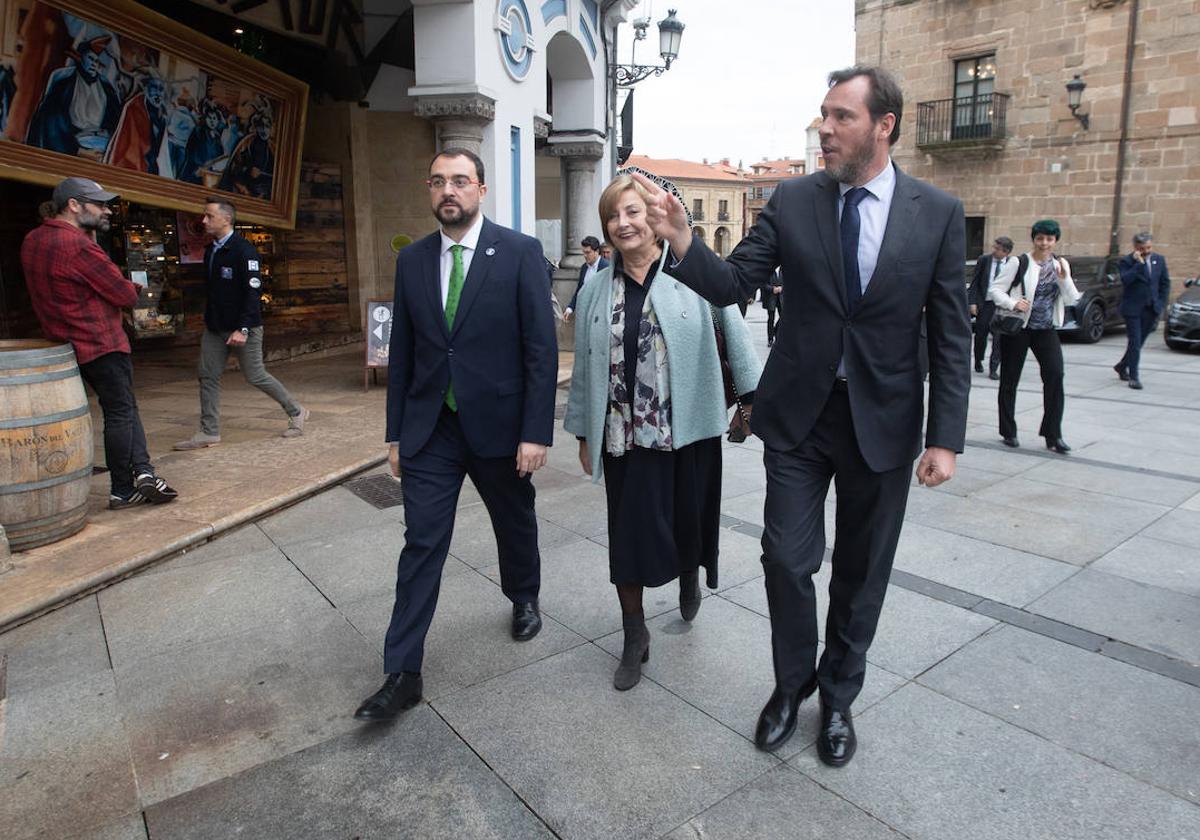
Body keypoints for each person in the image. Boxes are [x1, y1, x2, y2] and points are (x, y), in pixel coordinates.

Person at [634, 65, 970, 766]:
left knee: (860, 569)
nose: (825, 127)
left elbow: (949, 331)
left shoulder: (935, 212)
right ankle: (791, 686)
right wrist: (683, 241)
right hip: (798, 417)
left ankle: (839, 698)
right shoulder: (792, 201)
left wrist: (946, 437)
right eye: (822, 114)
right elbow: (732, 283)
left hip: (883, 420)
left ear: (884, 125)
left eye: (842, 116)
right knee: (786, 558)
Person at [354, 148, 558, 722]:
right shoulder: (413, 261)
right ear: (429, 190)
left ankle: (524, 595)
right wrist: (396, 433)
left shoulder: (519, 253)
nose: (450, 190)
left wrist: (534, 432)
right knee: (421, 542)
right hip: (432, 430)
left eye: (461, 181)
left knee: (513, 522)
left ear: (481, 190)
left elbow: (540, 351)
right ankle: (403, 672)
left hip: (500, 427)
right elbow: (407, 351)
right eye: (440, 181)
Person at [564, 174, 761, 691]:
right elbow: (585, 365)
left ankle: (689, 574)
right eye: (614, 215)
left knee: (688, 520)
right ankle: (634, 634)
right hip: (623, 437)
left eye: (633, 212)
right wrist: (584, 434)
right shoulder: (595, 290)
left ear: (655, 217)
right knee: (626, 537)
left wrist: (753, 398)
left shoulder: (692, 272)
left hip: (689, 430)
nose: (624, 223)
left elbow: (734, 329)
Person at [20, 177, 178, 509]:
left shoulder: (33, 240)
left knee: (122, 407)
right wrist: (133, 288)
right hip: (99, 341)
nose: (107, 210)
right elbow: (123, 294)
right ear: (74, 205)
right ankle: (123, 486)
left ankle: (145, 472)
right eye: (100, 204)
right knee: (120, 411)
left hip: (62, 343)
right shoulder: (78, 246)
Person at [173, 197, 308, 450]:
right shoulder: (211, 250)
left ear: (226, 219)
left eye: (209, 216)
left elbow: (252, 292)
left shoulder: (244, 250)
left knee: (255, 375)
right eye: (204, 215)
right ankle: (209, 431)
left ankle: (297, 411)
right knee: (207, 376)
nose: (204, 220)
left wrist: (243, 328)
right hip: (215, 327)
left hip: (244, 326)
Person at [989, 220, 1081, 454]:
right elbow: (995, 290)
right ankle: (1008, 430)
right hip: (1019, 327)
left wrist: (1064, 278)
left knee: (1055, 375)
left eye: (1049, 239)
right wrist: (1013, 302)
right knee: (1010, 379)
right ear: (1034, 239)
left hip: (1045, 328)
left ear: (1055, 240)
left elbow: (1072, 299)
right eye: (1040, 238)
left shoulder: (1061, 264)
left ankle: (1053, 434)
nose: (1044, 243)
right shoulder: (1019, 262)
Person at [1114, 232, 1171, 390]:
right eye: (1142, 248)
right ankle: (1134, 377)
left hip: (1151, 308)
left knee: (1139, 343)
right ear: (1136, 248)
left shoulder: (1159, 260)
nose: (1146, 251)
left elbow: (1164, 283)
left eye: (1149, 247)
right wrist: (1138, 264)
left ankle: (1121, 365)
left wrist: (1160, 304)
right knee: (1134, 341)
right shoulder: (1126, 261)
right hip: (1132, 308)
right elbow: (1126, 280)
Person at [968, 236, 1013, 380]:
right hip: (985, 303)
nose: (994, 251)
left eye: (997, 249)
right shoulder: (984, 260)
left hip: (1001, 305)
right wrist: (972, 302)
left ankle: (994, 368)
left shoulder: (1013, 264)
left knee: (998, 338)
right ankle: (978, 359)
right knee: (981, 334)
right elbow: (974, 282)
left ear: (1005, 252)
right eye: (994, 247)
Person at [562, 235, 609, 322]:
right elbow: (580, 290)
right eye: (583, 252)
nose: (585, 255)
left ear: (597, 251)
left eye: (588, 252)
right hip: (585, 313)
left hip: (601, 315)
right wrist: (570, 308)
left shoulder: (606, 267)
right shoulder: (584, 267)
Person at [760, 269, 784, 346]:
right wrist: (772, 289)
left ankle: (775, 331)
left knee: (784, 317)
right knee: (771, 318)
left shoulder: (783, 269)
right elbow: (763, 284)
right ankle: (770, 339)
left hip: (781, 298)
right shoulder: (768, 270)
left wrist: (782, 288)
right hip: (771, 298)